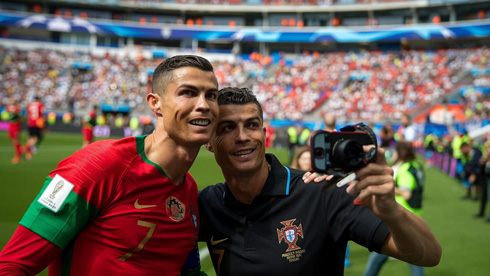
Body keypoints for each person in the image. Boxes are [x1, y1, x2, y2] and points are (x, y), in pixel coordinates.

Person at [0, 55, 220, 275]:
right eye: (188, 93)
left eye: (211, 95)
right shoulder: (99, 165)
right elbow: (12, 265)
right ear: (155, 103)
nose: (203, 105)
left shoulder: (189, 190)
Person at [198, 87, 441, 275]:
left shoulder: (321, 191)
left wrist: (392, 212)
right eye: (227, 128)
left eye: (251, 125)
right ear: (208, 141)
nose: (242, 137)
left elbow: (429, 255)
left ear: (263, 134)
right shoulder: (208, 203)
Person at [363, 141, 425, 276]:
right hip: (414, 215)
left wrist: (386, 187)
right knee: (413, 258)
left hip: (401, 217)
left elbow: (407, 193)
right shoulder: (416, 166)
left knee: (378, 255)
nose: (393, 153)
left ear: (401, 153)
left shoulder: (405, 169)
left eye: (395, 151)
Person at [24, 96, 46, 160]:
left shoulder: (29, 105)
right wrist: (43, 125)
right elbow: (42, 115)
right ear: (38, 100)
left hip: (30, 123)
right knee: (35, 138)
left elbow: (27, 115)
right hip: (37, 123)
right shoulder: (40, 105)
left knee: (30, 137)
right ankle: (25, 148)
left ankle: (28, 154)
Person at [6, 97, 23, 164]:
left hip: (16, 125)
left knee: (16, 141)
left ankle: (17, 156)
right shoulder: (10, 108)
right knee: (13, 140)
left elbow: (19, 117)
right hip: (11, 125)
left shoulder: (16, 108)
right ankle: (19, 153)